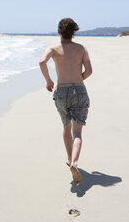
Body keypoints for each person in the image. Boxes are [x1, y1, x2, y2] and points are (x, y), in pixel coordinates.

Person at [39, 18, 93, 184]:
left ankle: (69, 159)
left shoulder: (53, 48)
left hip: (61, 91)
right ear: (74, 32)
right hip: (79, 90)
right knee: (77, 132)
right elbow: (89, 71)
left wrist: (49, 81)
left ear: (59, 32)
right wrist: (79, 79)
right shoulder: (81, 48)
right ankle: (75, 162)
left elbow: (42, 62)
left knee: (66, 126)